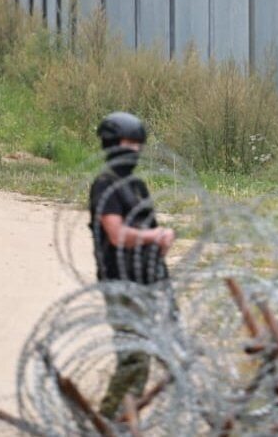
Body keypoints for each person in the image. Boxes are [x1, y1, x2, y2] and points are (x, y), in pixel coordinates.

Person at [87, 111, 175, 421]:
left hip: (145, 278)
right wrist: (153, 235)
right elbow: (117, 234)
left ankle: (125, 420)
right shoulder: (105, 185)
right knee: (133, 358)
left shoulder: (137, 185)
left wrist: (162, 241)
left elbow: (149, 229)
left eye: (138, 144)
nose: (135, 150)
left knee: (143, 359)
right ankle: (106, 419)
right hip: (120, 281)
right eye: (128, 143)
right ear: (112, 144)